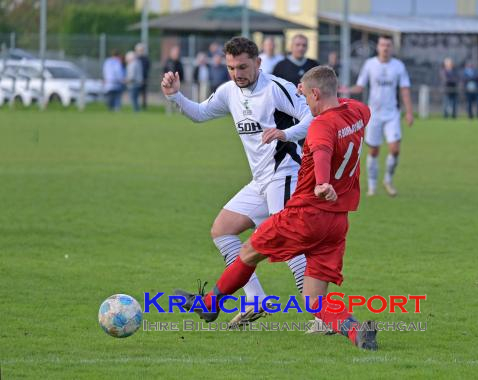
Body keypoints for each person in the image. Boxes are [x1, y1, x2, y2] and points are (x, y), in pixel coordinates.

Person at [173, 66, 378, 351]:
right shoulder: (357, 112)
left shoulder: (321, 126)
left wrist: (321, 183)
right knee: (314, 301)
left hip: (306, 214)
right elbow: (356, 107)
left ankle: (209, 305)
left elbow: (321, 152)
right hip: (337, 222)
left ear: (316, 94)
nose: (304, 102)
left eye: (306, 96)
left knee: (247, 253)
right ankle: (357, 332)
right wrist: (309, 89)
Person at [161, 37, 312, 325]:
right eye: (231, 68)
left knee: (290, 245)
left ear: (258, 63)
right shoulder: (229, 90)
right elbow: (201, 113)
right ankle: (254, 300)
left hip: (286, 174)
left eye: (243, 67)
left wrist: (286, 134)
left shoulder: (276, 88)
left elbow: (311, 117)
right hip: (261, 181)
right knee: (222, 230)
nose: (237, 73)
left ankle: (321, 315)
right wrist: (175, 96)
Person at [344, 35, 413, 197]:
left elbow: (404, 89)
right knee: (373, 151)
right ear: (378, 47)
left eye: (388, 45)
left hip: (392, 114)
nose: (385, 48)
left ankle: (388, 180)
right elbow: (360, 87)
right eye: (382, 45)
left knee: (395, 149)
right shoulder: (370, 65)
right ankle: (372, 187)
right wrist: (344, 90)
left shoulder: (398, 66)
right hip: (374, 114)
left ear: (392, 48)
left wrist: (409, 112)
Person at [135, 43, 151, 110]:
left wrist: (145, 77)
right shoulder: (135, 59)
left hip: (144, 79)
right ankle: (136, 107)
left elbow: (147, 68)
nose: (140, 51)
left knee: (144, 94)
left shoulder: (146, 59)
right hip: (136, 80)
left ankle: (144, 107)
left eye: (141, 50)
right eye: (139, 50)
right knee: (135, 93)